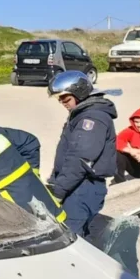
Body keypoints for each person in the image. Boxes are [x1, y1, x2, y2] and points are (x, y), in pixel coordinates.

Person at [48, 71, 117, 236]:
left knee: (71, 237)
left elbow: (80, 158)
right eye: (59, 99)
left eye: (65, 98)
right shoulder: (83, 114)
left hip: (81, 187)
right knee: (71, 234)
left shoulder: (92, 118)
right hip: (75, 184)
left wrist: (59, 190)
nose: (62, 102)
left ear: (79, 93)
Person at [115, 107, 140, 183]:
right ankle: (119, 182)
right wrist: (131, 151)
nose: (138, 125)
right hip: (137, 166)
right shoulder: (131, 130)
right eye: (136, 122)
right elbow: (117, 140)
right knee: (117, 154)